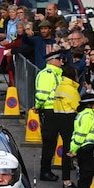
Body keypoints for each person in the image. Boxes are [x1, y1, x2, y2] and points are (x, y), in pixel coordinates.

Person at [35, 51, 65, 181]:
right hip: (49, 111)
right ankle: (45, 171)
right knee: (49, 142)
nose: (61, 62)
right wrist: (38, 107)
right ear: (52, 60)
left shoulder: (55, 74)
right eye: (59, 59)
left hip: (55, 111)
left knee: (51, 142)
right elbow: (42, 94)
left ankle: (47, 170)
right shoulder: (48, 74)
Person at [52, 66, 80, 188]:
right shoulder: (71, 90)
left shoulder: (59, 87)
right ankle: (67, 181)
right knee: (71, 151)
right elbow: (78, 107)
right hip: (69, 119)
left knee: (66, 151)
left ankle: (66, 179)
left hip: (58, 119)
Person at [67, 93, 94, 188]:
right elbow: (80, 135)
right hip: (87, 149)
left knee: (85, 177)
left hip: (85, 149)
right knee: (85, 178)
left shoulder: (83, 114)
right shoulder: (88, 116)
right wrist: (73, 150)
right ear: (90, 105)